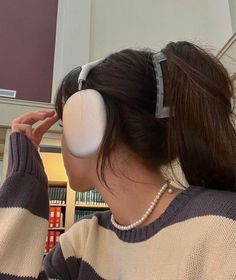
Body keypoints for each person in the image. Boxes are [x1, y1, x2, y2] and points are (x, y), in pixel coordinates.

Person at [0, 41, 235, 280]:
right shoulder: (80, 243)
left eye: (64, 125)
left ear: (88, 126)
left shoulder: (223, 227)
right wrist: (23, 177)